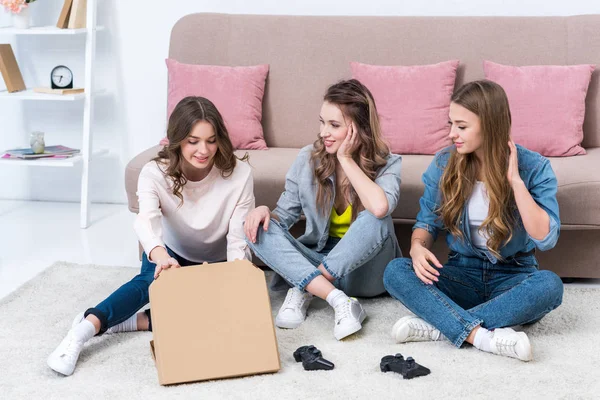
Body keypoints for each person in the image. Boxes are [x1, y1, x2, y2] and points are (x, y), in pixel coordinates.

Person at [47, 96, 255, 376]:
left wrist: (235, 280)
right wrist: (162, 259)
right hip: (170, 253)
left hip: (216, 262)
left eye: (211, 140)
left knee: (221, 316)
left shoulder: (240, 174)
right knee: (149, 282)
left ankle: (137, 321)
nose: (203, 150)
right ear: (178, 139)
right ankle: (84, 329)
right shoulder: (153, 173)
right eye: (193, 141)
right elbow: (146, 223)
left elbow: (238, 238)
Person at [383, 80, 563, 361]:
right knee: (396, 271)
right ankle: (481, 335)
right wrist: (417, 247)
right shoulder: (444, 163)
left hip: (513, 277)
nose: (453, 133)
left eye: (462, 126)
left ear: (490, 125)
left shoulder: (534, 167)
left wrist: (515, 181)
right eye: (451, 124)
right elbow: (427, 224)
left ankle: (442, 326)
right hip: (461, 274)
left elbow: (546, 238)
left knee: (549, 286)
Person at [244, 79, 402, 341]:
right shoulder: (308, 158)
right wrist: (263, 211)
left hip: (364, 271)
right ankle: (334, 297)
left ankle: (305, 285)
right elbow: (284, 216)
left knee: (378, 218)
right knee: (255, 227)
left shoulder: (389, 163)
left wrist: (345, 158)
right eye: (322, 122)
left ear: (359, 129)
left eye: (334, 125)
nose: (324, 132)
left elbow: (380, 206)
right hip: (318, 256)